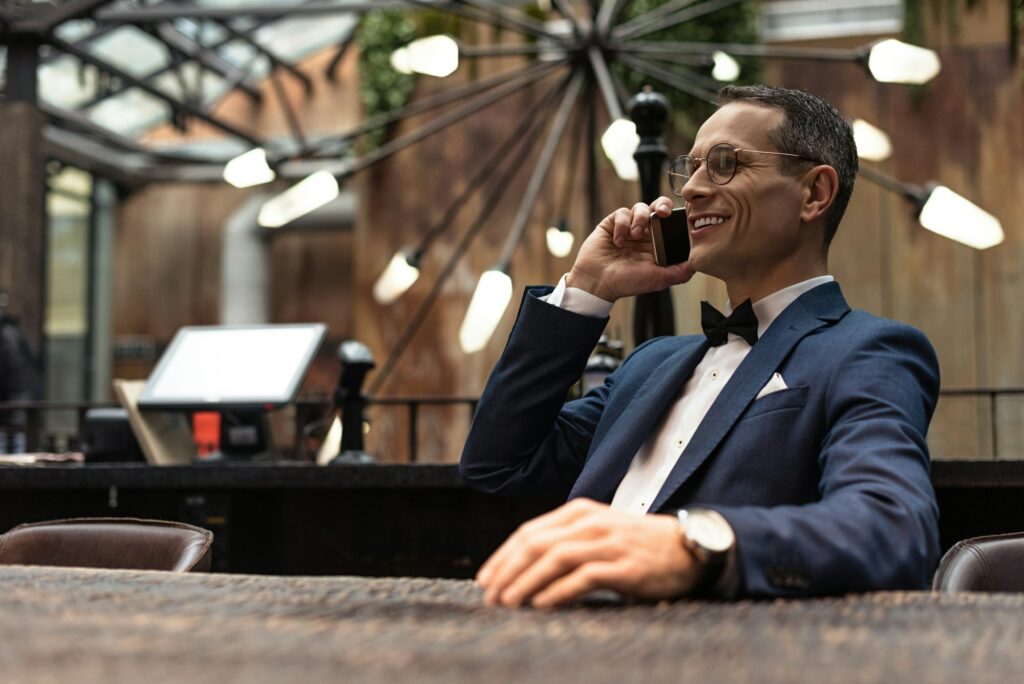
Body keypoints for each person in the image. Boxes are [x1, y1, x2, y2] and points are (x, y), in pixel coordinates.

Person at [459, 85, 940, 607]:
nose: (692, 189)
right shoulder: (651, 364)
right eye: (690, 168)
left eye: (725, 162)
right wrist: (586, 290)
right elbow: (497, 464)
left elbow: (893, 529)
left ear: (813, 194)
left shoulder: (869, 350)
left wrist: (693, 545)